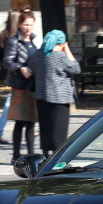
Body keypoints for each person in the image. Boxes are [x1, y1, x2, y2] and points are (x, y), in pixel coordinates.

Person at [28, 29, 80, 158]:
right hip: (60, 99)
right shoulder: (60, 56)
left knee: (45, 129)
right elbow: (76, 68)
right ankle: (57, 160)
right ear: (61, 43)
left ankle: (45, 157)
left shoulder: (37, 55)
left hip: (41, 97)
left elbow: (33, 69)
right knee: (59, 133)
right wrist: (67, 49)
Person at [4, 10, 39, 161]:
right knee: (20, 121)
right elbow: (7, 61)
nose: (28, 28)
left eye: (31, 25)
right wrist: (20, 68)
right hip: (20, 86)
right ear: (19, 24)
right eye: (25, 24)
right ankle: (16, 155)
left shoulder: (33, 41)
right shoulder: (14, 41)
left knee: (31, 121)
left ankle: (31, 154)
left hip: (32, 86)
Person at [0, 8, 24, 144]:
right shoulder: (17, 36)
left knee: (10, 103)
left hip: (8, 73)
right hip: (19, 73)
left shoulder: (3, 35)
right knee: (10, 103)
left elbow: (0, 56)